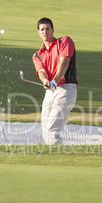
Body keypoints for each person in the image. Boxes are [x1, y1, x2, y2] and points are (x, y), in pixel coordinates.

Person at [32, 17, 78, 145]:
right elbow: (41, 71)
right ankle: (51, 157)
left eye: (47, 29)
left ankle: (58, 158)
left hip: (66, 90)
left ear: (53, 30)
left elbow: (64, 63)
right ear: (38, 32)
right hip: (50, 91)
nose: (45, 32)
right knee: (45, 129)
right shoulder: (37, 55)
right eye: (42, 29)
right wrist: (45, 80)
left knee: (52, 129)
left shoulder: (64, 41)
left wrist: (54, 81)